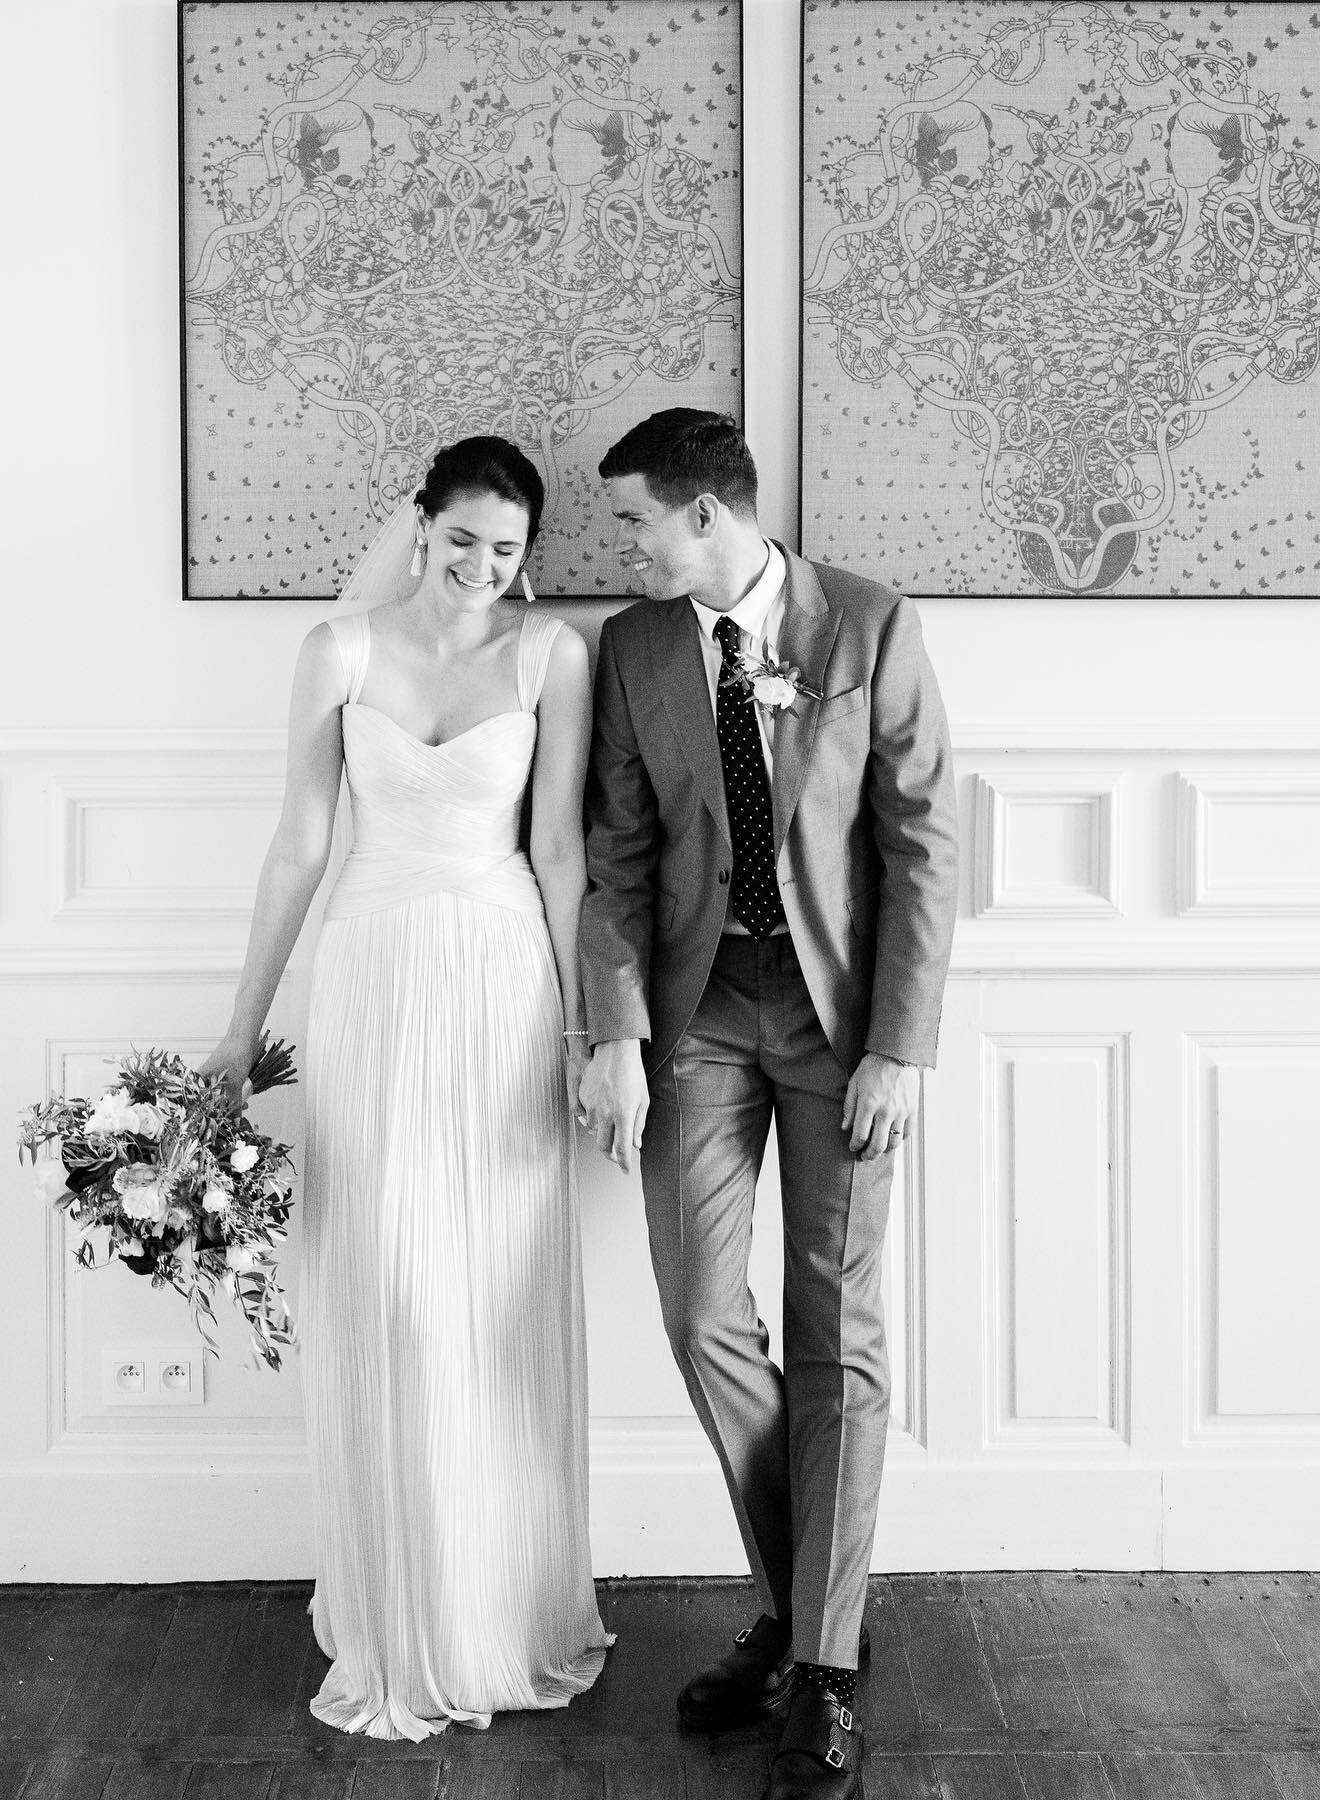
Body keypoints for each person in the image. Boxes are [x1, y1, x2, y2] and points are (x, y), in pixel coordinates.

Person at [204, 437, 610, 1741]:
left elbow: (559, 849)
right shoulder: (340, 654)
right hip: (372, 985)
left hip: (501, 988)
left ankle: (500, 1606)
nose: (481, 571)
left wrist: (585, 1029)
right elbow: (299, 845)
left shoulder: (555, 657)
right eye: (460, 544)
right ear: (418, 526)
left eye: (506, 553)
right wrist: (238, 1027)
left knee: (485, 1296)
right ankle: (397, 1615)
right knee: (389, 1289)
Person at [577, 411, 957, 1800]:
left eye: (634, 522)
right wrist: (610, 1030)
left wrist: (901, 1047)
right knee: (698, 1314)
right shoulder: (631, 650)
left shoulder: (865, 623)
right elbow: (616, 852)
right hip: (696, 1025)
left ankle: (828, 1671)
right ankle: (811, 1618)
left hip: (841, 1027)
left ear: (706, 517)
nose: (621, 545)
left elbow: (926, 842)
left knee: (835, 1331)